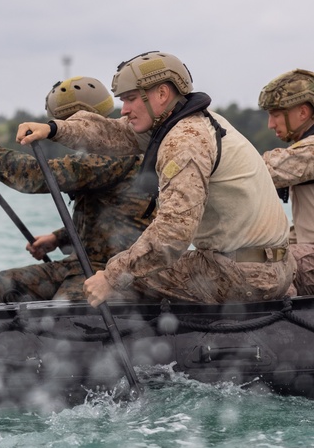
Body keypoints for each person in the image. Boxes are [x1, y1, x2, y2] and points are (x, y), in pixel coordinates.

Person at [17, 51, 293, 306]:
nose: (123, 109)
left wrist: (111, 277)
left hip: (242, 275)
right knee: (130, 270)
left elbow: (172, 234)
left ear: (161, 93)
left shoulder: (185, 142)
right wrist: (53, 129)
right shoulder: (191, 122)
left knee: (117, 283)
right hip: (256, 266)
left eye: (130, 99)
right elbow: (114, 134)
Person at [0, 76, 153, 302]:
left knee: (63, 311)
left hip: (113, 271)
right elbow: (108, 217)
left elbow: (42, 176)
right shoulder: (97, 156)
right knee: (2, 285)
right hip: (80, 263)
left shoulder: (114, 154)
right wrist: (58, 238)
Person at [259, 69, 314, 295]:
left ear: (302, 112)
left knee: (252, 271)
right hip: (307, 254)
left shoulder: (309, 151)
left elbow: (259, 171)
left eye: (276, 114)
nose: (271, 124)